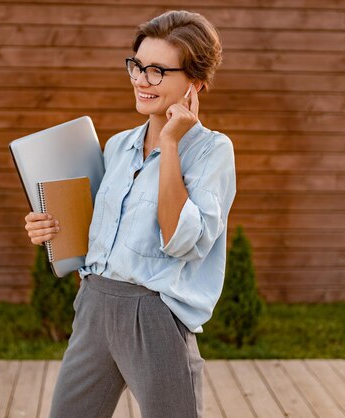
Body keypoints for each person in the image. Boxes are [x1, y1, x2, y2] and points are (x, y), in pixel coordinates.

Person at [24, 10, 236, 418]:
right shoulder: (117, 146)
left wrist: (171, 144)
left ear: (195, 83)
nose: (141, 79)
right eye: (137, 65)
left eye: (157, 71)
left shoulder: (213, 152)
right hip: (94, 304)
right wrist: (49, 226)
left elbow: (181, 240)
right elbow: (99, 233)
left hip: (152, 314)